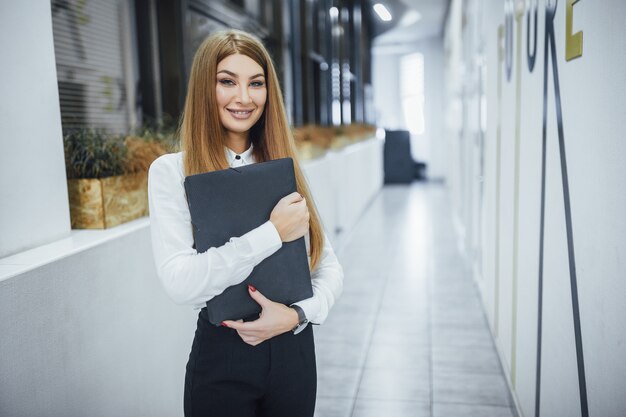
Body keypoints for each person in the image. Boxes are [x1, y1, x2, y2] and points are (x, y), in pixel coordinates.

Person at [147, 29, 343, 417]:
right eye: (226, 82)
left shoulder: (282, 168)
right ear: (206, 88)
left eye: (256, 83)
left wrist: (297, 315)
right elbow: (181, 284)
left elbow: (328, 267)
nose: (244, 97)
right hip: (223, 358)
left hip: (293, 352)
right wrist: (272, 234)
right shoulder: (172, 173)